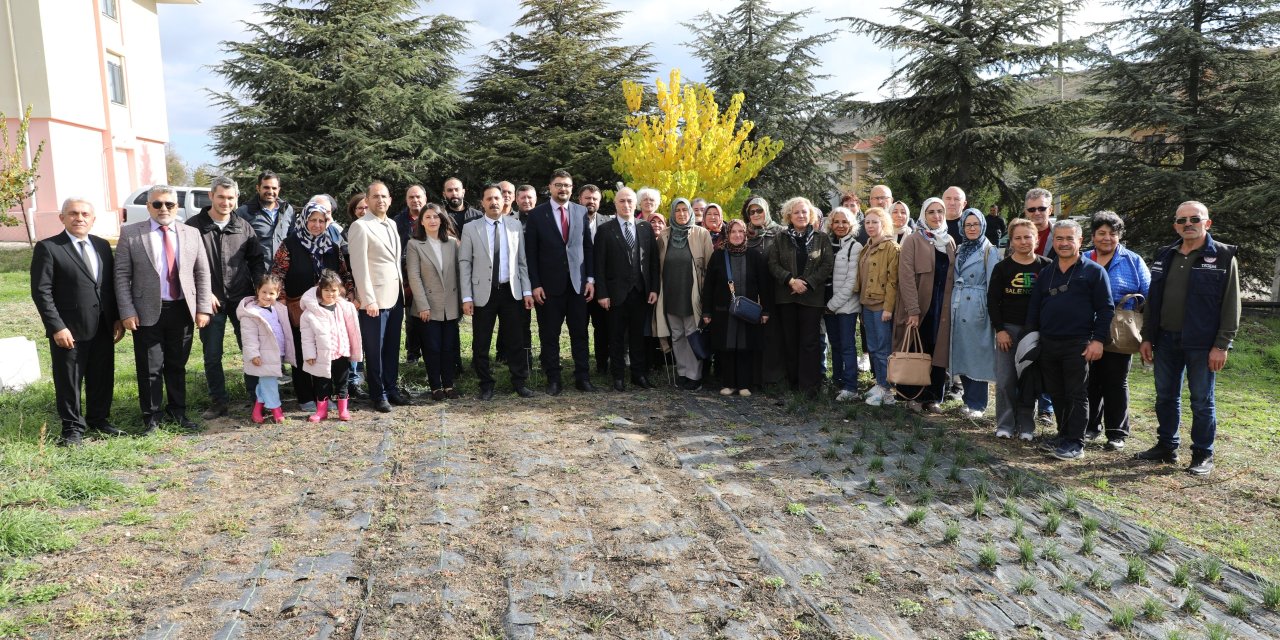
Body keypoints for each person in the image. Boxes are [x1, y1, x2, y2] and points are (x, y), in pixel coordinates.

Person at [1135, 201, 1240, 476]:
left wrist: (1221, 345)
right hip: (1165, 340)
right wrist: (1146, 337)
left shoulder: (1223, 256)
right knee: (1165, 397)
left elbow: (1231, 306)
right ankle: (1166, 447)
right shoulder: (1164, 255)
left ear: (1208, 223)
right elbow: (1153, 301)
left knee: (1201, 401)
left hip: (1202, 344)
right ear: (1175, 226)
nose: (1188, 224)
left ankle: (1203, 454)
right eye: (1182, 220)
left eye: (1195, 218)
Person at [115, 185, 212, 433]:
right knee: (150, 368)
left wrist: (203, 308)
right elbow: (121, 275)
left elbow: (202, 272)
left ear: (176, 207)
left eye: (169, 204)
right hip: (146, 312)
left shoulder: (191, 233)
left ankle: (178, 411)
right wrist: (126, 311)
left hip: (182, 310)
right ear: (148, 207)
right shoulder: (131, 234)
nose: (163, 209)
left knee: (177, 365)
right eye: (157, 204)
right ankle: (152, 417)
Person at [31, 198, 125, 445]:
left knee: (102, 375)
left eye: (85, 214)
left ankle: (99, 419)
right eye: (73, 213)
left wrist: (115, 317)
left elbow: (107, 286)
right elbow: (41, 292)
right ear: (62, 218)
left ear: (93, 219)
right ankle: (72, 429)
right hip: (69, 329)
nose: (79, 218)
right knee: (70, 380)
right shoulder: (49, 247)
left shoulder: (102, 246)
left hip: (103, 325)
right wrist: (56, 326)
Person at [1026, 219, 1114, 462]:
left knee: (1076, 393)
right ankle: (1063, 435)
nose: (1064, 243)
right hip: (1048, 343)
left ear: (1080, 241)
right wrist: (1032, 339)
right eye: (1059, 239)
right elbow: (1035, 308)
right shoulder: (1046, 273)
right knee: (1056, 392)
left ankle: (1076, 442)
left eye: (1069, 239)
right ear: (1053, 241)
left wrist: (1098, 341)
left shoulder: (1094, 272)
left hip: (1079, 343)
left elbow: (1106, 309)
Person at [187, 176, 266, 419]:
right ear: (211, 196)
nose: (226, 202)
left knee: (251, 349)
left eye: (231, 198)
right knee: (212, 354)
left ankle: (257, 399)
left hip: (242, 299)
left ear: (236, 199)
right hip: (210, 301)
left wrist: (258, 294)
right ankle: (218, 402)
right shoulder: (193, 227)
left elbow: (256, 263)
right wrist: (203, 293)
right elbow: (185, 266)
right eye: (221, 196)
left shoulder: (243, 226)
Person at [271, 199, 355, 412]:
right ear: (304, 220)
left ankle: (325, 397)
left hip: (328, 309)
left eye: (322, 220)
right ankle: (305, 396)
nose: (317, 225)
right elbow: (277, 275)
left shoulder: (332, 247)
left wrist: (349, 294)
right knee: (303, 351)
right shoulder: (290, 244)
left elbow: (343, 274)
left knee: (328, 351)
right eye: (313, 220)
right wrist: (280, 302)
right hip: (299, 308)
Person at [460, 184, 536, 400]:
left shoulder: (514, 226)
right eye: (489, 199)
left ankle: (519, 382)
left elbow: (522, 262)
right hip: (483, 293)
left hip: (511, 292)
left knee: (515, 340)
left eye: (497, 198)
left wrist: (527, 291)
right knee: (481, 343)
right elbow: (465, 263)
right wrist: (467, 296)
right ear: (482, 203)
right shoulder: (471, 228)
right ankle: (486, 384)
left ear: (504, 201)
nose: (494, 202)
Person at [1083, 211, 1150, 451]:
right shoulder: (1083, 258)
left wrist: (1149, 334)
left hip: (1120, 329)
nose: (1107, 238)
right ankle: (1090, 427)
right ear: (1093, 235)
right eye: (1101, 233)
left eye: (1112, 233)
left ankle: (1117, 433)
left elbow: (1148, 294)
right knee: (1089, 380)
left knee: (1115, 380)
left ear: (1119, 236)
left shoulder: (1133, 261)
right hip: (1087, 328)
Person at [525, 169, 597, 395]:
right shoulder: (537, 215)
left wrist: (590, 279)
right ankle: (553, 380)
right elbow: (531, 253)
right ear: (550, 187)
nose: (562, 189)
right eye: (558, 185)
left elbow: (587, 247)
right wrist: (535, 284)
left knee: (580, 335)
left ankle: (582, 378)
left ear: (571, 189)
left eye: (566, 185)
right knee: (549, 336)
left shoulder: (580, 211)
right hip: (548, 288)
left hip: (577, 286)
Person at [348, 181, 411, 412]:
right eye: (375, 196)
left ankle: (391, 388)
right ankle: (378, 394)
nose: (380, 200)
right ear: (368, 199)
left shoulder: (392, 224)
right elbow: (359, 266)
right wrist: (368, 298)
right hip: (374, 300)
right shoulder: (360, 227)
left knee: (392, 347)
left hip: (395, 297)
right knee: (375, 349)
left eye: (384, 196)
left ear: (391, 199)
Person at [987, 218, 1052, 440]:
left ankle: (1026, 425)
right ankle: (1005, 424)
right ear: (1011, 241)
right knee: (1005, 380)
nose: (1023, 241)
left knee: (1028, 380)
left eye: (1028, 237)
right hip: (1009, 330)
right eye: (1018, 237)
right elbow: (992, 301)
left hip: (1035, 332)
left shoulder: (1046, 266)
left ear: (1036, 239)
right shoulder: (1002, 268)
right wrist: (1000, 330)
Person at [594, 187, 660, 391]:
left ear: (636, 204)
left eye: (630, 201)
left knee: (638, 337)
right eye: (622, 201)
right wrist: (602, 293)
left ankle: (638, 375)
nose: (626, 205)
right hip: (615, 295)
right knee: (616, 336)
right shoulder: (605, 230)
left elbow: (653, 262)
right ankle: (618, 376)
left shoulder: (644, 227)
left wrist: (654, 289)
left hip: (640, 292)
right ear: (615, 204)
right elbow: (599, 265)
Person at [893, 197, 955, 413]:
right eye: (931, 212)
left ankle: (933, 397)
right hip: (920, 305)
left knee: (938, 351)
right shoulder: (913, 240)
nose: (937, 216)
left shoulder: (949, 241)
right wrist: (913, 309)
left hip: (942, 306)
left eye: (940, 211)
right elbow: (906, 276)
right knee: (917, 349)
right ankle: (912, 396)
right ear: (923, 215)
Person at [768, 197, 834, 395]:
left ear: (811, 214)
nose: (801, 215)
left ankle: (810, 385)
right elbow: (773, 264)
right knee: (790, 340)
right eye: (796, 212)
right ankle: (793, 383)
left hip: (812, 298)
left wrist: (807, 282)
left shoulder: (821, 238)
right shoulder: (780, 238)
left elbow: (827, 265)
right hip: (787, 296)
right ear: (789, 215)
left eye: (804, 211)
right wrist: (790, 281)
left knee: (810, 342)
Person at [702, 219, 773, 396]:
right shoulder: (718, 255)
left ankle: (744, 384)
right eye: (733, 232)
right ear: (727, 234)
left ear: (745, 234)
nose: (737, 235)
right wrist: (707, 311)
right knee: (727, 347)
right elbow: (709, 285)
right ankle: (728, 383)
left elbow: (764, 285)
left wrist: (766, 310)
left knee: (745, 346)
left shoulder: (755, 256)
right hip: (723, 311)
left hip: (748, 311)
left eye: (741, 231)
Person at [655, 197, 714, 391]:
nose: (681, 214)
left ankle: (694, 376)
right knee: (677, 335)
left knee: (691, 334)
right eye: (677, 210)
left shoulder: (701, 234)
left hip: (692, 294)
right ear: (672, 213)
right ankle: (682, 372)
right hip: (670, 293)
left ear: (690, 212)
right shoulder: (664, 236)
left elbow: (710, 267)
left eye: (685, 210)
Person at [407, 204, 462, 401]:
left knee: (449, 347)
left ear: (442, 219)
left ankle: (449, 384)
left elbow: (459, 272)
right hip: (428, 306)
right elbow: (414, 276)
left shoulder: (453, 243)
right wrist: (423, 305)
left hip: (451, 304)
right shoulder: (414, 244)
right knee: (432, 348)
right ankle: (435, 386)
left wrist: (463, 301)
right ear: (421, 221)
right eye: (428, 217)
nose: (432, 220)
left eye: (436, 217)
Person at [949, 208, 1001, 419]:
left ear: (983, 226)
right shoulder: (960, 249)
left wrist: (990, 313)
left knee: (978, 354)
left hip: (978, 306)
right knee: (963, 353)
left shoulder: (990, 251)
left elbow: (993, 285)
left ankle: (978, 404)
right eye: (968, 225)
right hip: (959, 304)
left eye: (976, 224)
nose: (972, 228)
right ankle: (967, 400)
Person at [300, 269, 362, 422]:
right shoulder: (310, 313)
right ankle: (321, 411)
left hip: (341, 352)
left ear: (339, 290)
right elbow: (306, 337)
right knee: (322, 384)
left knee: (342, 382)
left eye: (333, 290)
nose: (330, 294)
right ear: (320, 290)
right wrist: (309, 355)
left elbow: (353, 330)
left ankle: (343, 410)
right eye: (326, 290)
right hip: (322, 355)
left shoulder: (345, 308)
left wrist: (353, 350)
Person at [237, 274, 294, 424]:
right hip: (262, 355)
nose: (267, 296)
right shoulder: (251, 313)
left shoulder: (278, 309)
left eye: (272, 293)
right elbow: (249, 337)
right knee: (270, 383)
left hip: (277, 352)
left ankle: (257, 409)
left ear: (278, 293)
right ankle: (276, 409)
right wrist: (253, 354)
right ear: (257, 290)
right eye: (264, 292)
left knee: (266, 381)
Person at [856, 207, 899, 406]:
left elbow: (893, 281)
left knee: (883, 349)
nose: (871, 226)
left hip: (882, 306)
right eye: (867, 222)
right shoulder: (867, 246)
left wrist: (889, 308)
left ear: (884, 224)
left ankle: (888, 390)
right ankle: (880, 383)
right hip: (867, 304)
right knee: (873, 348)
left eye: (875, 222)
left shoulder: (892, 247)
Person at [744, 196, 786, 387]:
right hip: (751, 292)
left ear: (766, 211)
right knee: (753, 335)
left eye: (759, 210)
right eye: (751, 212)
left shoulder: (779, 233)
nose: (755, 215)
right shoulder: (744, 233)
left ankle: (773, 378)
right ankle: (753, 377)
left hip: (775, 290)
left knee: (773, 336)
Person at [823, 207, 863, 401]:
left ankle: (851, 386)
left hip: (845, 305)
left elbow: (851, 282)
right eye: (837, 222)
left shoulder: (855, 247)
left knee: (847, 345)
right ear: (831, 224)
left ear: (851, 225)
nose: (840, 226)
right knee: (835, 345)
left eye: (845, 222)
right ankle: (837, 381)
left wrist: (832, 304)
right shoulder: (827, 244)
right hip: (828, 304)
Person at [580, 185, 612, 374]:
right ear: (580, 199)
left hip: (602, 286)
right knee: (580, 327)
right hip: (579, 285)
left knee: (602, 328)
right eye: (587, 198)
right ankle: (582, 365)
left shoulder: (607, 223)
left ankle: (601, 364)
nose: (591, 201)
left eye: (594, 199)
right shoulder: (572, 219)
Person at [395, 185, 428, 366]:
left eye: (418, 197)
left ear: (425, 198)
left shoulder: (434, 215)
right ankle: (413, 354)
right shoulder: (398, 221)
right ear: (406, 200)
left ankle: (431, 351)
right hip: (408, 276)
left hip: (432, 276)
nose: (415, 200)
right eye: (411, 197)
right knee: (412, 317)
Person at [237, 171, 295, 271]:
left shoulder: (287, 210)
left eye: (274, 188)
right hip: (255, 274)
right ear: (258, 188)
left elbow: (292, 240)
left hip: (282, 274)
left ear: (279, 189)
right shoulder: (244, 212)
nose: (270, 191)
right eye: (266, 187)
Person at [1025, 188, 1055, 258]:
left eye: (1042, 209)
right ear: (1026, 212)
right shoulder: (1016, 236)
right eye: (1032, 209)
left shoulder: (1061, 235)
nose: (1037, 213)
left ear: (1050, 210)